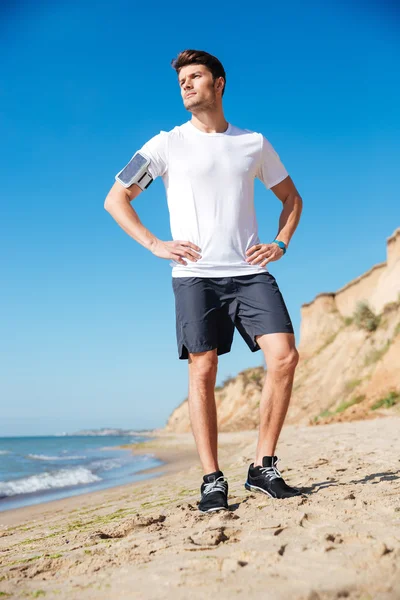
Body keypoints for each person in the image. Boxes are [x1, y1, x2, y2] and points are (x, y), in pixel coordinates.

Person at [104, 49, 303, 513]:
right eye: (181, 81)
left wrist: (281, 242)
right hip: (195, 276)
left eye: (196, 77)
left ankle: (262, 467)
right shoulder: (163, 145)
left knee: (285, 357)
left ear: (220, 83)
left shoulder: (253, 142)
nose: (187, 85)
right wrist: (156, 244)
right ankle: (212, 479)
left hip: (250, 271)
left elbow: (291, 198)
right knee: (204, 368)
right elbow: (117, 199)